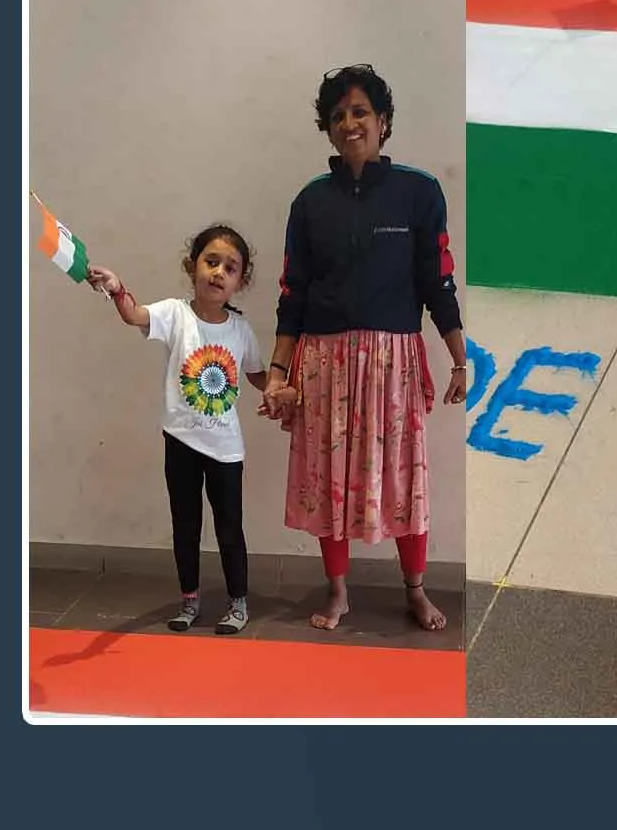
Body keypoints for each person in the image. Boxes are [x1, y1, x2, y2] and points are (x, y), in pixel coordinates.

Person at [262, 64, 466, 632]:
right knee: (329, 481)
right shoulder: (310, 203)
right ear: (328, 130)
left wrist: (458, 357)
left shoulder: (419, 192)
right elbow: (292, 293)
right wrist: (279, 372)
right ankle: (338, 592)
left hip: (393, 365)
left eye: (360, 112)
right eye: (338, 116)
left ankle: (416, 591)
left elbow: (437, 280)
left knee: (404, 480)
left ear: (384, 122)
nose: (350, 124)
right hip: (322, 364)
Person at [85, 225, 274, 635]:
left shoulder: (241, 331)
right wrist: (117, 288)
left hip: (226, 448)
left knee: (229, 528)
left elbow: (261, 377)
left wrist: (283, 389)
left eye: (230, 267)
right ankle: (189, 599)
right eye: (211, 262)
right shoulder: (175, 314)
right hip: (181, 440)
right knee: (184, 526)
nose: (219, 272)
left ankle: (237, 602)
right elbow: (134, 314)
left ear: (240, 280)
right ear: (192, 267)